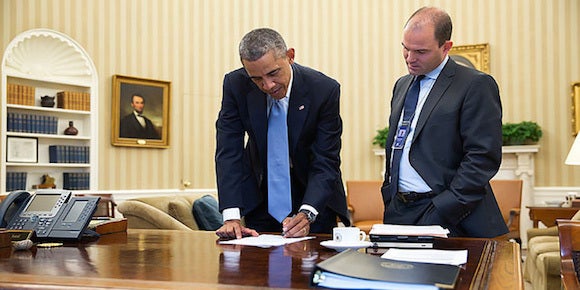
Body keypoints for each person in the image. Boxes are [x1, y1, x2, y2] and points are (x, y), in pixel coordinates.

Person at [381, 7, 508, 238]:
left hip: (448, 214)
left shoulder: (475, 85)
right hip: (399, 212)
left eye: (421, 51)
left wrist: (444, 207)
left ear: (446, 47)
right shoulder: (402, 85)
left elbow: (482, 157)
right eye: (405, 49)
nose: (410, 58)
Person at [215, 28, 350, 239]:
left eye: (273, 73)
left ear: (290, 56)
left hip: (313, 197)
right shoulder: (235, 85)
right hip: (262, 199)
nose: (267, 85)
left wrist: (307, 212)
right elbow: (229, 150)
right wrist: (231, 215)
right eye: (256, 79)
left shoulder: (323, 89)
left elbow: (325, 159)